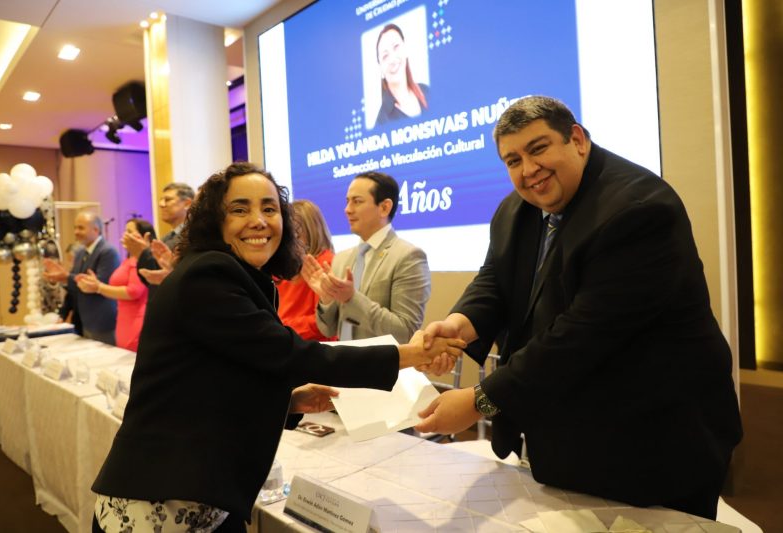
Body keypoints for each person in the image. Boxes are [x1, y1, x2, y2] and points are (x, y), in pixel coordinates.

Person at [415, 96, 742, 519]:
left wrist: (482, 400)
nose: (528, 170)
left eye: (538, 149)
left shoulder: (638, 209)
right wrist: (460, 323)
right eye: (513, 160)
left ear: (577, 139)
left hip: (655, 440)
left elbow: (582, 336)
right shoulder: (516, 208)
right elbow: (495, 279)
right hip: (572, 437)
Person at [91, 162, 464, 532]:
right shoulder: (208, 274)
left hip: (198, 497)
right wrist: (413, 354)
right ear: (215, 219)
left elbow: (217, 382)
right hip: (161, 500)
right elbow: (290, 353)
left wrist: (289, 403)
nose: (258, 221)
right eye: (240, 209)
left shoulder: (232, 274)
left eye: (269, 209)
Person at [303, 171, 430, 343]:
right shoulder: (341, 259)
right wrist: (327, 299)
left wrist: (351, 299)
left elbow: (405, 332)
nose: (347, 210)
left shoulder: (408, 257)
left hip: (382, 360)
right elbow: (327, 330)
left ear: (384, 207)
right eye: (347, 201)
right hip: (342, 358)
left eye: (357, 201)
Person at [76, 218, 156, 352]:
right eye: (125, 231)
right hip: (123, 319)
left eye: (130, 232)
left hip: (136, 319)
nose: (125, 235)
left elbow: (133, 292)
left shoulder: (140, 261)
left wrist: (98, 287)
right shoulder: (128, 260)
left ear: (144, 237)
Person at [42, 211, 120, 345]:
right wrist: (62, 279)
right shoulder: (80, 252)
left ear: (96, 229)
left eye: (81, 228)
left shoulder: (108, 252)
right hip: (84, 321)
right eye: (75, 228)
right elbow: (74, 284)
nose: (76, 232)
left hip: (103, 321)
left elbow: (99, 285)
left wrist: (66, 277)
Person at [276, 199, 337, 341]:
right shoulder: (283, 266)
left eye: (295, 235)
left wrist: (280, 327)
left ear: (311, 232)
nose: (287, 241)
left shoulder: (326, 264)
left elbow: (324, 322)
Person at [129, 182, 195, 293]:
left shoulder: (192, 236)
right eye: (161, 200)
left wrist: (144, 253)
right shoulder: (166, 238)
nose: (161, 204)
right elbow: (151, 279)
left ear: (187, 203)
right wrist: (143, 254)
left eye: (168, 200)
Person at [374, 23, 429, 128]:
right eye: (385, 56)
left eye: (396, 47)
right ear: (380, 68)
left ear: (405, 48)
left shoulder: (426, 91)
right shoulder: (381, 122)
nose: (392, 59)